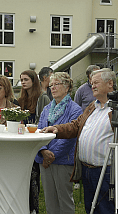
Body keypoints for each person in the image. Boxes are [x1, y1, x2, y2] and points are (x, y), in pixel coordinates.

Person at [41, 68, 118, 214]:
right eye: (92, 83)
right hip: (87, 169)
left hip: (107, 170)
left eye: (96, 82)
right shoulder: (94, 105)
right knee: (91, 208)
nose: (93, 86)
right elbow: (76, 125)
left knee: (107, 209)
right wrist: (57, 129)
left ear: (110, 83)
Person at [35, 72, 83, 214]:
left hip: (63, 160)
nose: (53, 88)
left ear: (67, 87)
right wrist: (43, 151)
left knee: (64, 200)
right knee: (50, 200)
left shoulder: (75, 109)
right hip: (44, 159)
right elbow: (39, 130)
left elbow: (70, 136)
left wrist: (52, 155)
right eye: (51, 85)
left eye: (57, 84)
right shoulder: (46, 109)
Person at [17, 70, 50, 214]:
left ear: (34, 81)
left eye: (26, 79)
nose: (23, 82)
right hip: (22, 140)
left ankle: (34, 208)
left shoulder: (42, 98)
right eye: (21, 80)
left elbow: (47, 119)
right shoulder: (21, 99)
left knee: (34, 176)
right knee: (24, 176)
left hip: (36, 141)